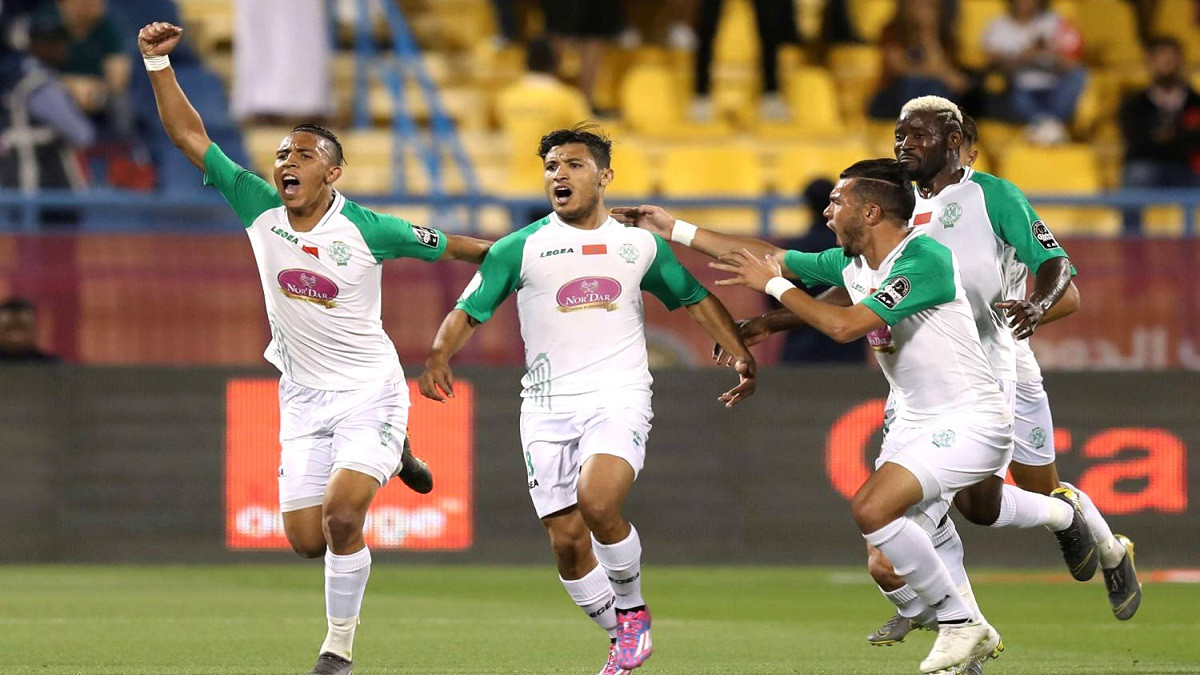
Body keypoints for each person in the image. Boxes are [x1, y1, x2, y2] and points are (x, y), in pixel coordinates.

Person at [138, 21, 491, 675]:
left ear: (332, 171)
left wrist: (529, 255)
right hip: (301, 396)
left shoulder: (370, 228)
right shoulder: (258, 206)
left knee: (342, 517)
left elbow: (463, 247)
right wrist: (158, 65)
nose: (286, 163)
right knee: (306, 540)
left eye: (302, 155)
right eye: (281, 154)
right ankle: (398, 453)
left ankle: (338, 649)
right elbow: (190, 137)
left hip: (368, 391)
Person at [617, 158, 1008, 675]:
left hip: (971, 418)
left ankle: (965, 622)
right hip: (916, 421)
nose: (826, 212)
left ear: (870, 212)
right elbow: (770, 256)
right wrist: (673, 229)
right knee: (886, 563)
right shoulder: (854, 263)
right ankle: (964, 646)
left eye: (837, 202)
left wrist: (776, 289)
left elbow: (844, 327)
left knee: (872, 509)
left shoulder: (924, 259)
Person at [418, 125, 756, 675]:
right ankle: (624, 638)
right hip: (545, 407)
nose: (560, 174)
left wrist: (740, 353)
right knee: (568, 545)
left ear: (604, 177)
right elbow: (468, 310)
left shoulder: (639, 245)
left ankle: (633, 612)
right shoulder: (518, 247)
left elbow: (695, 299)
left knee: (598, 503)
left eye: (574, 165)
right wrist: (438, 355)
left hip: (619, 396)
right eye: (552, 166)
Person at [777, 178, 865, 364]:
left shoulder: (796, 249)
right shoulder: (859, 250)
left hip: (801, 349)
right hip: (849, 351)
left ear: (807, 206)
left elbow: (776, 300)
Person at [1118, 35, 1200, 231]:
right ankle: (1132, 241)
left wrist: (1166, 137)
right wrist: (1178, 138)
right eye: (1161, 60)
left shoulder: (1195, 101)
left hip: (1186, 167)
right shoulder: (1134, 104)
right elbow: (1135, 139)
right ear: (1150, 63)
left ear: (1180, 62)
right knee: (1135, 177)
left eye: (1171, 60)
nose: (1166, 66)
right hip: (1146, 165)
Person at [982, 0, 1086, 145]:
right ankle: (1052, 127)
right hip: (1020, 87)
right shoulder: (999, 26)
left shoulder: (1055, 22)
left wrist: (1051, 53)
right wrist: (1025, 56)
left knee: (1079, 74)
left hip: (1054, 88)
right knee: (1010, 92)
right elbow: (993, 63)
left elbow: (1073, 64)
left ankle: (1044, 127)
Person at [867, 0, 972, 120]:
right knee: (914, 83)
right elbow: (898, 68)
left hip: (931, 92)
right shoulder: (892, 32)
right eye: (917, 5)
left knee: (936, 89)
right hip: (894, 96)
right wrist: (937, 73)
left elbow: (956, 81)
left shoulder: (946, 38)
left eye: (928, 7)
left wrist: (928, 34)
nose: (922, 11)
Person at [0, 298, 61, 363]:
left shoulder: (53, 365)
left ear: (35, 330)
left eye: (22, 328)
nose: (16, 335)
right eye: (9, 329)